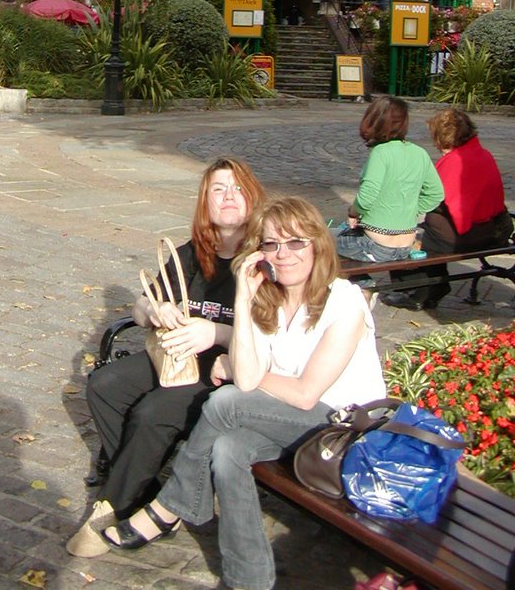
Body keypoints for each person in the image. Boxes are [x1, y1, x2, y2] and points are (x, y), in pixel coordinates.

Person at [101, 196, 386, 590]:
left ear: (318, 245)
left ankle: (170, 506)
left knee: (226, 401)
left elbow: (303, 394)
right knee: (227, 449)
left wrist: (240, 371)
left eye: (295, 242)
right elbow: (251, 377)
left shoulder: (345, 301)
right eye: (271, 244)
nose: (283, 254)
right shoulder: (267, 299)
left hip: (343, 429)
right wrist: (243, 296)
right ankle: (247, 579)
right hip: (288, 421)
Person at [66, 157, 266, 558]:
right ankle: (154, 495)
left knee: (152, 412)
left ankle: (111, 507)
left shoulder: (263, 257)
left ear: (253, 198)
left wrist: (215, 332)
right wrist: (152, 311)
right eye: (218, 189)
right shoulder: (192, 253)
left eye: (237, 189)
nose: (229, 197)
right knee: (105, 385)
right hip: (175, 358)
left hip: (227, 368)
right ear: (204, 202)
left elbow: (273, 336)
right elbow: (142, 307)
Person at [382, 108, 514, 311]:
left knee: (405, 236)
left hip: (472, 235)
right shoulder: (482, 153)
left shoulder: (454, 162)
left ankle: (422, 290)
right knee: (429, 230)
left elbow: (427, 198)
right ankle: (431, 287)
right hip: (496, 229)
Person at [336, 96, 443, 268]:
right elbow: (436, 193)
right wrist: (411, 210)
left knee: (325, 244)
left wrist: (353, 212)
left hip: (376, 244)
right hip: (406, 243)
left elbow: (366, 198)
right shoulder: (419, 153)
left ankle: (364, 288)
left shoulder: (380, 153)